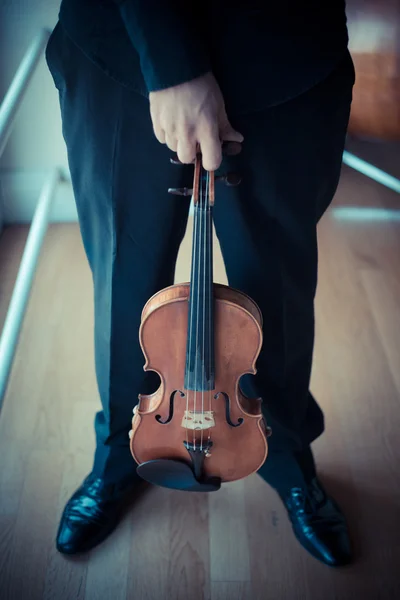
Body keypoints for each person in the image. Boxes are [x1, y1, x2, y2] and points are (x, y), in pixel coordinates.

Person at [45, 0, 355, 566]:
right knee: (124, 282)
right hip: (124, 56)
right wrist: (171, 66)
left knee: (277, 291)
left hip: (284, 62)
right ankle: (120, 451)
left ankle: (286, 455)